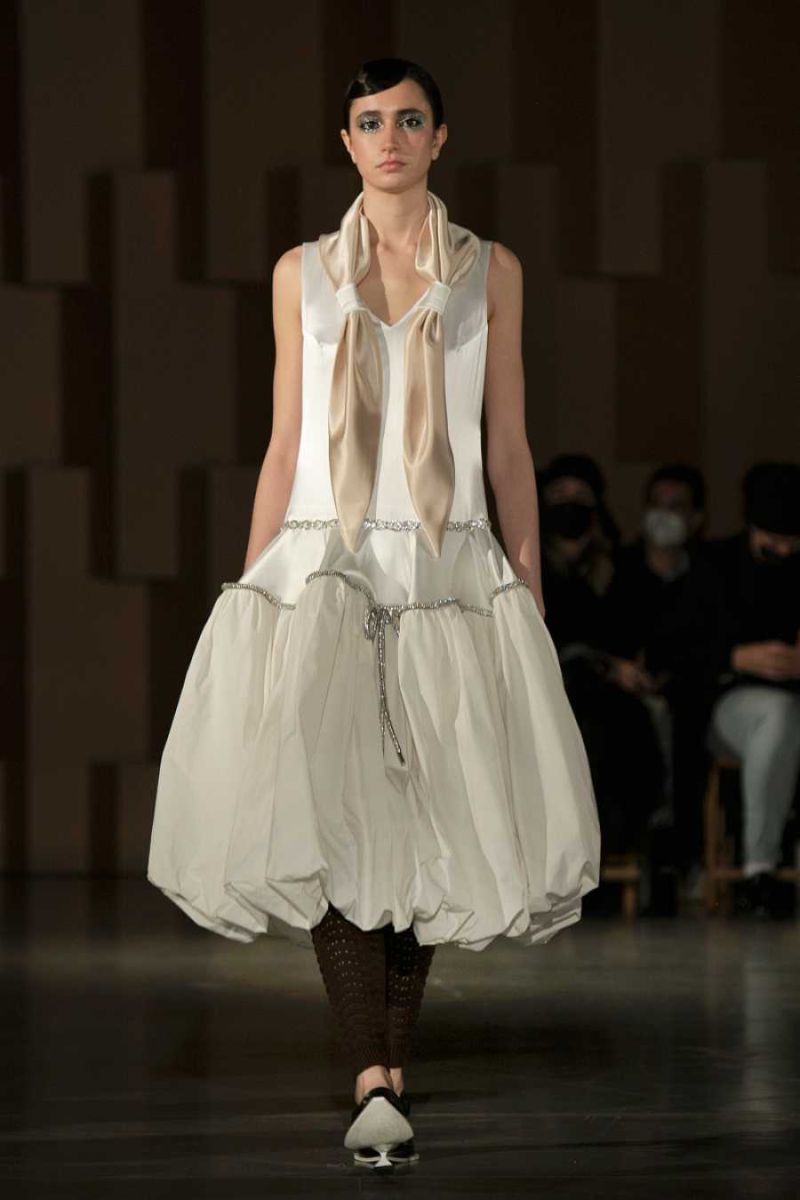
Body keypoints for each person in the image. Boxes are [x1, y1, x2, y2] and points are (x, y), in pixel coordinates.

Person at [146, 56, 601, 1169]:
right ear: (345, 141)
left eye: (407, 119)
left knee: (425, 824)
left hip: (447, 572)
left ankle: (388, 1069)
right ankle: (370, 1077)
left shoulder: (490, 270)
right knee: (333, 819)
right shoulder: (300, 273)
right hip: (324, 567)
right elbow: (285, 443)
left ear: (439, 137)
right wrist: (251, 598)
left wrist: (528, 591)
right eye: (367, 121)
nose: (387, 138)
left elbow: (506, 445)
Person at [600, 464, 731, 905]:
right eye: (656, 503)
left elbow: (714, 646)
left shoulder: (710, 578)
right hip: (625, 698)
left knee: (690, 735)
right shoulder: (619, 569)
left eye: (676, 506)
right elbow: (604, 637)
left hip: (687, 699)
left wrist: (671, 675)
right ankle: (626, 854)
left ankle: (683, 855)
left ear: (697, 518)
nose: (663, 514)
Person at [703, 462, 800, 919]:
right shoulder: (715, 565)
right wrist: (735, 657)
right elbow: (675, 651)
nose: (782, 550)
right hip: (729, 704)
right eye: (772, 540)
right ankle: (760, 869)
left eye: (791, 541)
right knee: (777, 715)